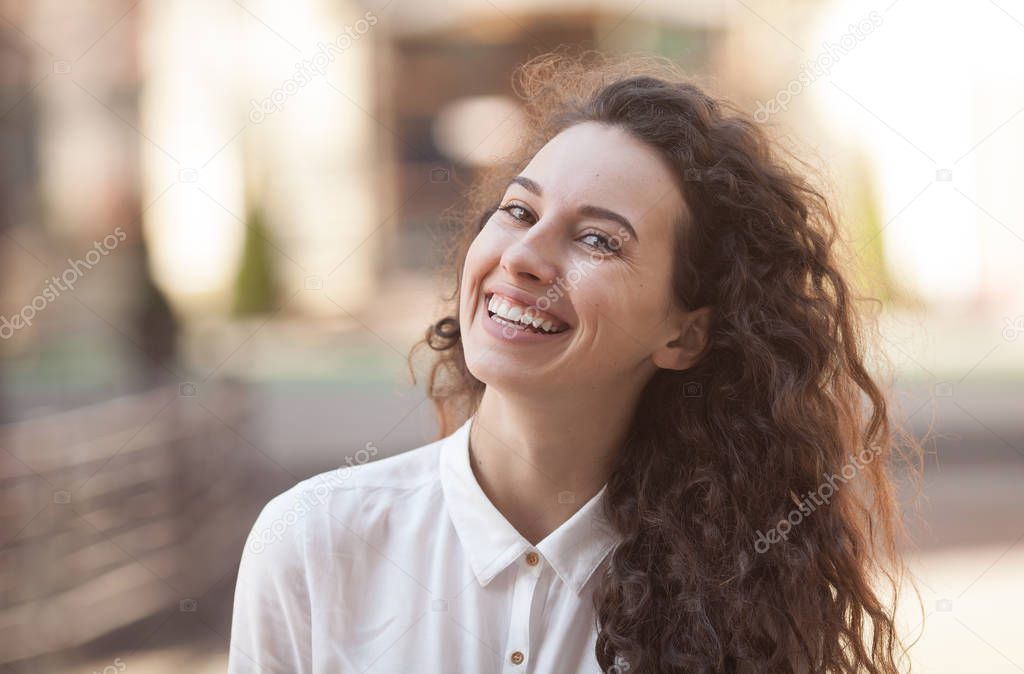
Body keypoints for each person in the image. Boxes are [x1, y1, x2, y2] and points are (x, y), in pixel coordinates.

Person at [227, 50, 922, 673]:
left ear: (684, 336)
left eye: (596, 240)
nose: (524, 258)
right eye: (519, 212)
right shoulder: (314, 542)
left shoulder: (736, 586)